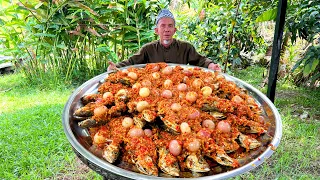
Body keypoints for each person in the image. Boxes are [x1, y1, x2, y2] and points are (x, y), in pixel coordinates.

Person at [107, 9, 221, 71]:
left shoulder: (186, 47)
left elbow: (200, 60)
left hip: (181, 88)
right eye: (163, 26)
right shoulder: (148, 49)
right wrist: (117, 67)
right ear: (157, 30)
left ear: (174, 30)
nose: (167, 30)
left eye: (170, 26)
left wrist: (211, 65)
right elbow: (132, 62)